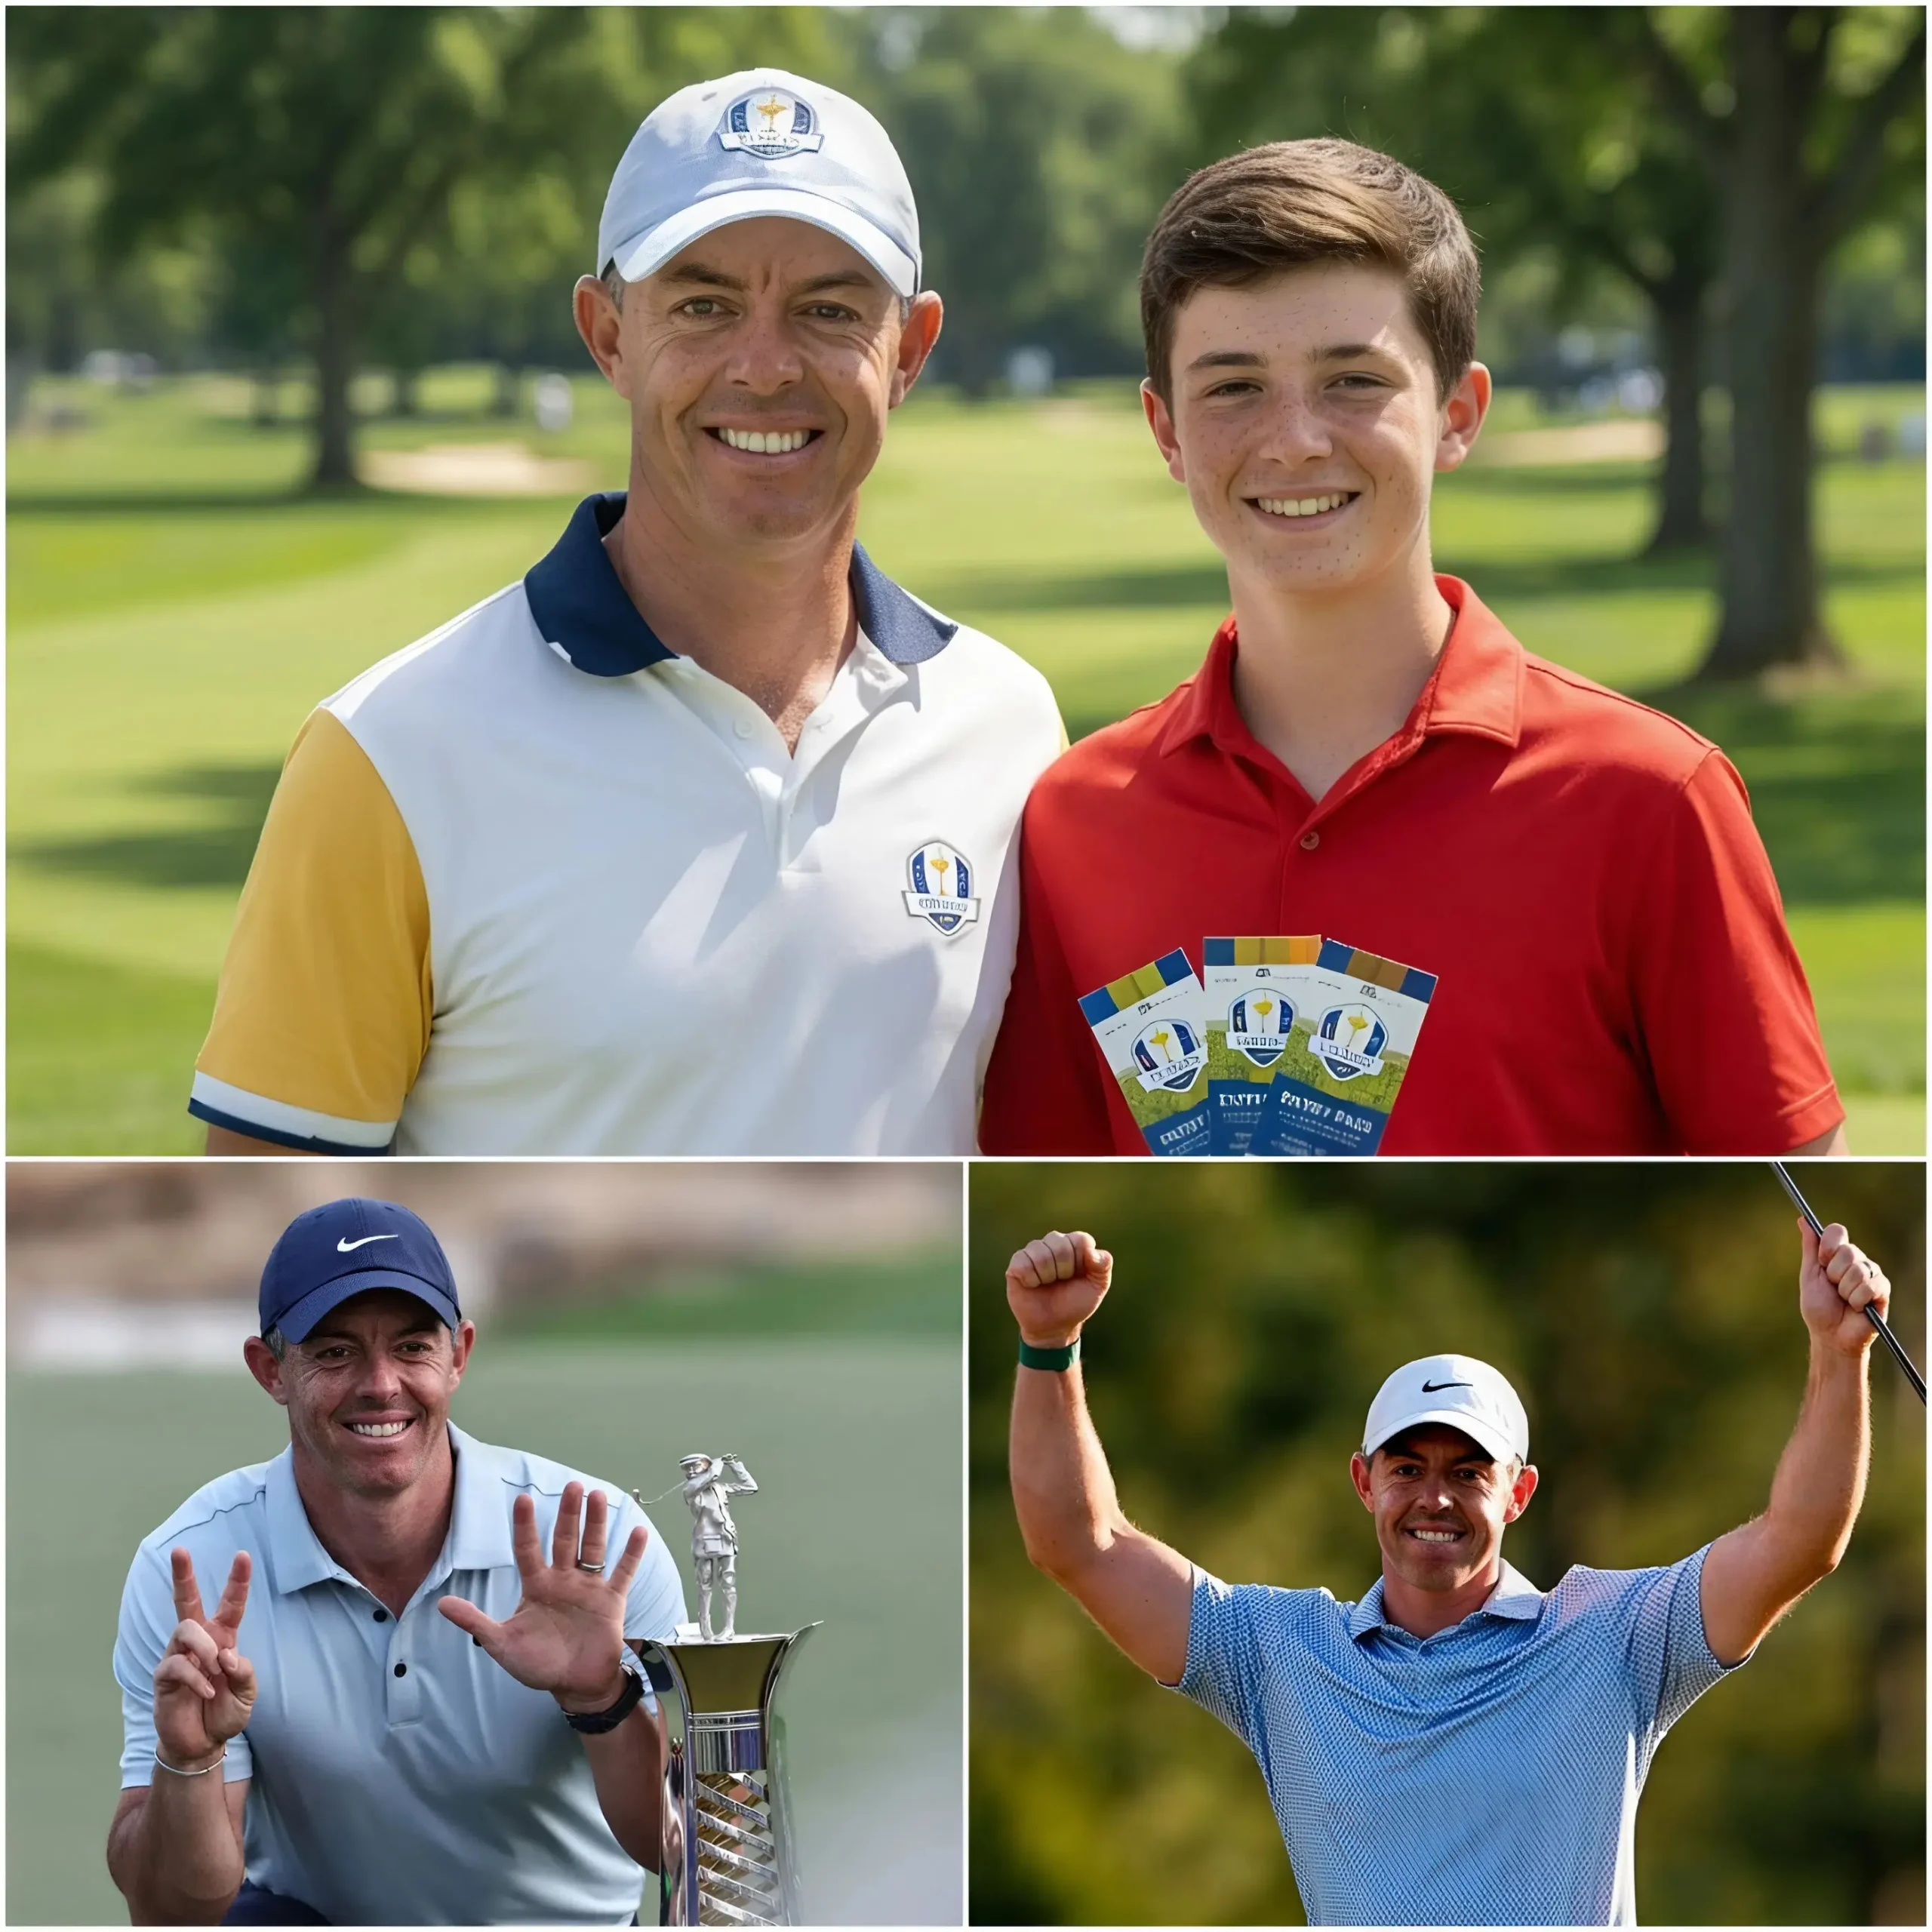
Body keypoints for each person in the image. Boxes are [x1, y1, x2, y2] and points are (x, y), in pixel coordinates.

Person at [189, 67, 1063, 1157]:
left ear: (911, 352)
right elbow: (275, 1239)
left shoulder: (1009, 728)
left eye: (829, 311)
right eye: (702, 306)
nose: (765, 364)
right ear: (607, 336)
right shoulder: (387, 754)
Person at [980, 137, 1844, 1155]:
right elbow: (1048, 1216)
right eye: (1233, 387)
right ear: (1165, 430)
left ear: (1458, 413)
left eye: (1354, 380)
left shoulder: (1651, 800)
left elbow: (1792, 1224)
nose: (1296, 439)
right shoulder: (1074, 824)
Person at [1004, 1217, 1890, 1925]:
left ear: (1518, 1493)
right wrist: (1049, 1346)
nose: (1434, 1497)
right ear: (1364, 1481)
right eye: (1407, 1468)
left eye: (1468, 1472)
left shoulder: (1614, 1638)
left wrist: (1836, 1352)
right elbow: (1080, 1545)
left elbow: (1797, 1541)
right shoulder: (1277, 1653)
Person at [108, 1198, 686, 1926]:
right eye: (335, 1352)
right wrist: (190, 1762)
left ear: (460, 1355)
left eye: (413, 1346)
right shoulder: (190, 1568)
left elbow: (680, 1852)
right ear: (270, 1370)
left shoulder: (596, 1546)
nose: (381, 1384)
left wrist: (603, 1699)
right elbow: (172, 1914)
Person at [678, 1452, 758, 1639]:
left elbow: (750, 1487)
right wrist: (718, 1463)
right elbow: (713, 1474)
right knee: (705, 1585)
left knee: (729, 1583)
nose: (691, 1471)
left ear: (705, 1466)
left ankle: (729, 1628)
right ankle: (706, 1628)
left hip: (726, 1537)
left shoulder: (720, 1488)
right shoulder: (690, 1489)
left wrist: (734, 1465)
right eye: (688, 1468)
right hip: (704, 1540)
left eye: (695, 1466)